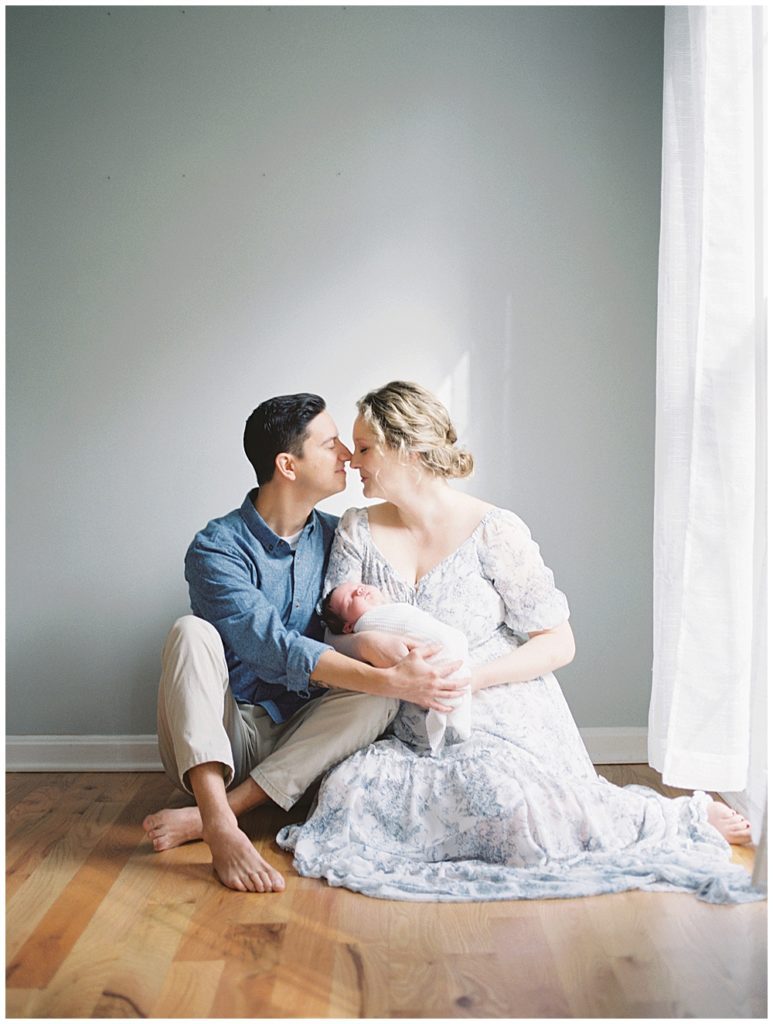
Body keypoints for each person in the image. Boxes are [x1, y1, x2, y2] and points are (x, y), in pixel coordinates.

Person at [277, 381, 759, 904]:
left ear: (408, 449)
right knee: (351, 795)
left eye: (366, 448)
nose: (353, 460)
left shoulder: (493, 531)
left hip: (494, 708)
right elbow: (332, 635)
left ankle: (673, 815)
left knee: (502, 797)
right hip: (399, 717)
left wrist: (470, 677)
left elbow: (559, 641)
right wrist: (385, 660)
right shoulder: (356, 528)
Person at [143, 392, 469, 894]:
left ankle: (217, 814)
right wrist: (391, 678)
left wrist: (387, 664)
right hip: (226, 730)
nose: (346, 455)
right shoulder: (216, 547)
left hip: (302, 738)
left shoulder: (344, 537)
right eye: (331, 443)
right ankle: (220, 824)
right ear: (287, 465)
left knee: (378, 697)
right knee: (190, 633)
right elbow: (273, 646)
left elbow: (355, 627)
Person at [321, 581, 473, 751]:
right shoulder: (367, 625)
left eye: (359, 585)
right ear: (348, 627)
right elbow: (328, 637)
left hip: (461, 663)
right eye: (349, 599)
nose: (359, 590)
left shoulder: (393, 604)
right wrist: (367, 642)